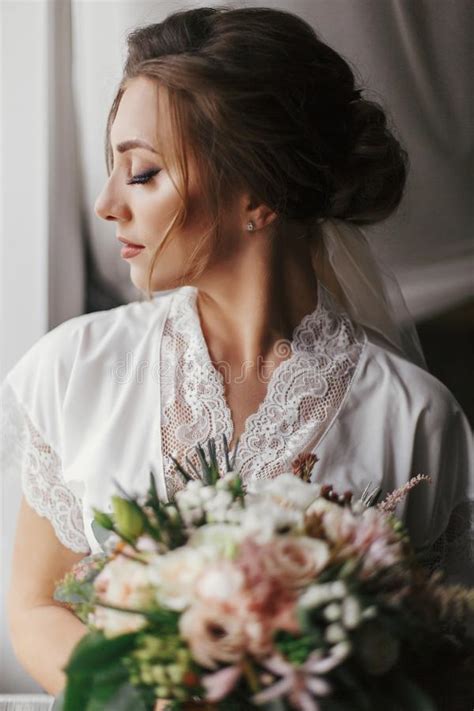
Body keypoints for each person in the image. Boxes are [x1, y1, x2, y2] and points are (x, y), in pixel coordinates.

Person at [2, 5, 473, 703]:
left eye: (141, 173)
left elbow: (443, 660)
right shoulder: (74, 371)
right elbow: (38, 605)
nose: (107, 203)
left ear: (257, 195)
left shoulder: (414, 418)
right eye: (114, 169)